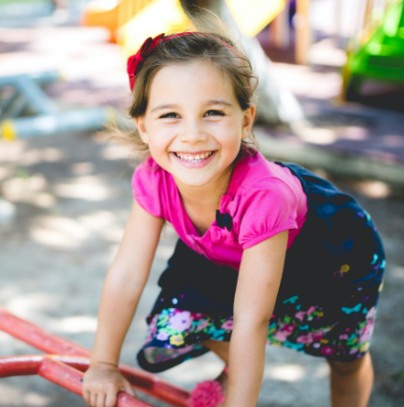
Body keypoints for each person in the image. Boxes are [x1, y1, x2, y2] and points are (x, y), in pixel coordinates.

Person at [82, 20, 385, 407]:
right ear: (143, 126)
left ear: (245, 119)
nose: (192, 134)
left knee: (344, 358)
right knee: (178, 319)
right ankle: (236, 374)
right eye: (170, 115)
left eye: (212, 112)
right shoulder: (155, 178)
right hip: (235, 254)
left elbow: (251, 320)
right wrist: (104, 363)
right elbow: (126, 275)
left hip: (333, 262)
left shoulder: (265, 196)